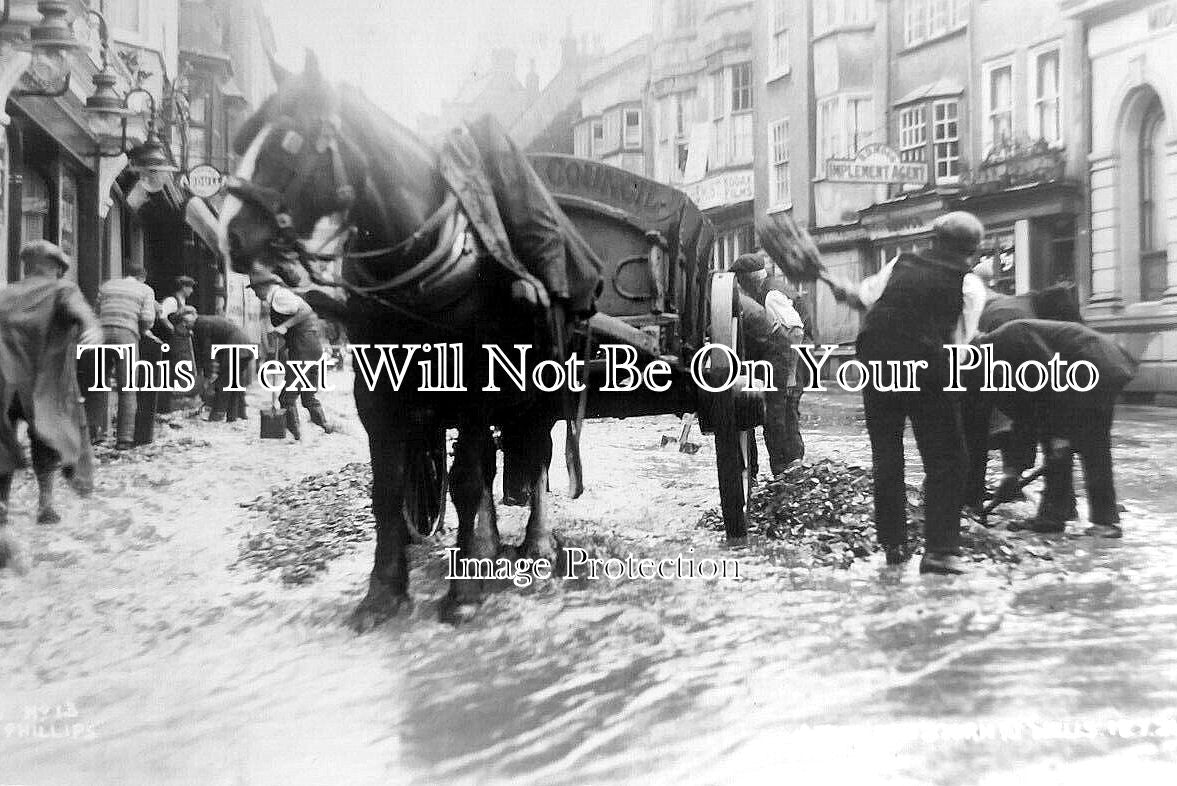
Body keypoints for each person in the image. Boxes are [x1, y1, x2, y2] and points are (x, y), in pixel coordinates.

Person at [826, 211, 988, 575]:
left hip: (876, 361)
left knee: (887, 455)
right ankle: (939, 552)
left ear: (933, 240)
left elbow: (862, 299)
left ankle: (894, 544)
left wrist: (843, 290)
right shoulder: (969, 285)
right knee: (947, 458)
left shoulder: (901, 262)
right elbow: (958, 346)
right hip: (925, 365)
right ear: (973, 251)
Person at [968, 319, 1137, 538]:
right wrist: (1012, 472)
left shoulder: (1011, 338)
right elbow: (1026, 417)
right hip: (1096, 367)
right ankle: (1067, 516)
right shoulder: (997, 365)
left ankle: (1065, 518)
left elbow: (1052, 379)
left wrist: (1061, 434)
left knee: (1078, 445)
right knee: (1078, 445)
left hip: (1092, 365)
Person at [0, 241, 102, 539]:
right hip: (42, 383)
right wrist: (91, 328)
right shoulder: (62, 289)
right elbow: (81, 313)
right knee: (44, 437)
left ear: (26, 265)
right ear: (57, 268)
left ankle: (3, 507)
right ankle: (45, 503)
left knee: (2, 443)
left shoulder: (5, 292)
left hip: (5, 381)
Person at [731, 253, 805, 476]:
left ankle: (789, 469)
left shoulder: (771, 295)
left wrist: (790, 374)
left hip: (788, 359)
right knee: (781, 414)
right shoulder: (767, 290)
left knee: (781, 414)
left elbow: (796, 331)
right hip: (781, 358)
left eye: (740, 281)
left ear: (748, 280)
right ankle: (787, 469)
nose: (741, 287)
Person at [250, 275, 333, 439]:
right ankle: (327, 427)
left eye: (255, 289)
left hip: (303, 347)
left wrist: (283, 327)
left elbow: (306, 310)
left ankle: (296, 437)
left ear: (265, 286)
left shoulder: (280, 295)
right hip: (310, 347)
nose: (255, 294)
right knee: (308, 395)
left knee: (287, 397)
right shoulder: (277, 297)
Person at [95, 261, 158, 449]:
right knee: (127, 388)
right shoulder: (145, 290)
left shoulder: (107, 286)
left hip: (102, 333)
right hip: (127, 335)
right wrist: (143, 330)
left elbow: (97, 312)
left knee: (100, 384)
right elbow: (147, 318)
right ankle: (124, 439)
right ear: (142, 277)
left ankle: (96, 433)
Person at [182, 307, 254, 422]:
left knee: (224, 382)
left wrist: (208, 375)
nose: (185, 326)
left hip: (235, 347)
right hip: (244, 346)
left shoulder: (200, 324)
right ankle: (236, 414)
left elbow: (206, 351)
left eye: (185, 323)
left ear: (190, 319)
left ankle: (217, 415)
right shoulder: (206, 321)